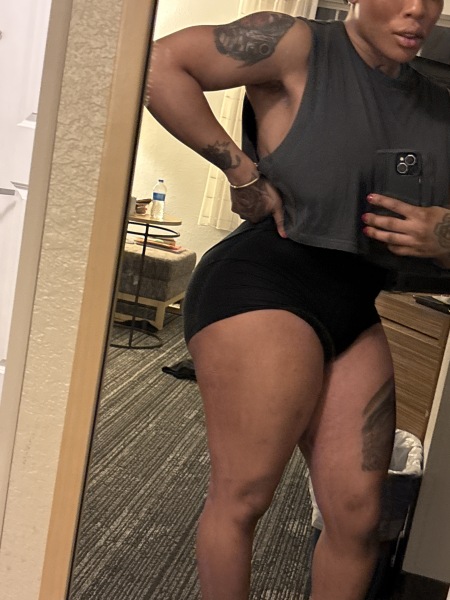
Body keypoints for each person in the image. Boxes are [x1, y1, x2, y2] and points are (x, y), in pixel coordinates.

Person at [146, 1, 450, 598]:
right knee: (245, 493)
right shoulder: (296, 43)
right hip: (264, 280)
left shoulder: (438, 107)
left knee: (359, 517)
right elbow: (160, 66)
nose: (417, 9)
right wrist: (241, 171)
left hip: (353, 302)